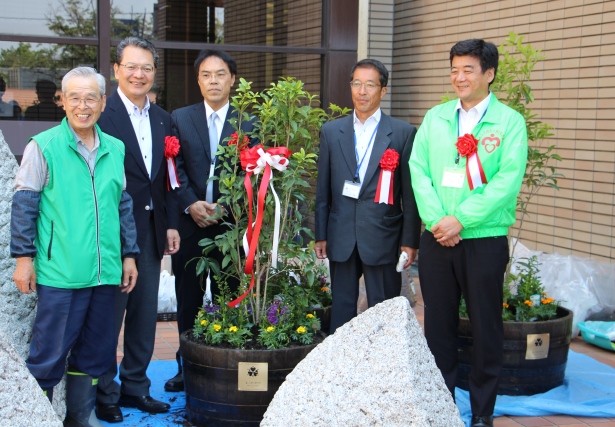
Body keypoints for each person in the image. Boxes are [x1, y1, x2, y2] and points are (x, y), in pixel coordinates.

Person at [10, 66, 139, 427]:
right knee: (48, 355)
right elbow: (24, 204)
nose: (83, 106)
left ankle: (79, 419)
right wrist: (24, 259)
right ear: (62, 101)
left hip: (105, 272)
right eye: (75, 97)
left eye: (91, 98)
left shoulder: (115, 148)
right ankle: (38, 419)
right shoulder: (44, 146)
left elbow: (122, 204)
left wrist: (129, 255)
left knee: (96, 353)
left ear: (102, 102)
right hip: (60, 272)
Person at [409, 39, 528, 427]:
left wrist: (461, 219)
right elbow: (418, 169)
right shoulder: (437, 117)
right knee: (438, 326)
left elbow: (506, 182)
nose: (459, 77)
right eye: (455, 69)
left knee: (485, 326)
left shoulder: (509, 122)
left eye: (469, 70)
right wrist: (437, 221)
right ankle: (441, 407)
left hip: (484, 239)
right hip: (438, 237)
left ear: (489, 74)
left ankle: (481, 412)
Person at [94, 37, 180, 422]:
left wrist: (172, 223)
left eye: (146, 67)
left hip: (150, 228)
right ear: (116, 70)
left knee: (145, 315)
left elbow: (166, 180)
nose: (138, 74)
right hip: (110, 233)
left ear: (154, 73)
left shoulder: (164, 119)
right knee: (110, 317)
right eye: (131, 66)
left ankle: (135, 388)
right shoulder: (100, 113)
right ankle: (105, 393)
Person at [314, 58, 421, 334]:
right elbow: (323, 188)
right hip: (341, 235)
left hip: (382, 236)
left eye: (370, 84)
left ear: (383, 90)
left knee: (382, 312)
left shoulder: (402, 133)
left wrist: (410, 241)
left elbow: (409, 194)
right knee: (342, 311)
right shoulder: (331, 131)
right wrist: (321, 233)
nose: (362, 91)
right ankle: (343, 369)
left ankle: (381, 371)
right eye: (356, 84)